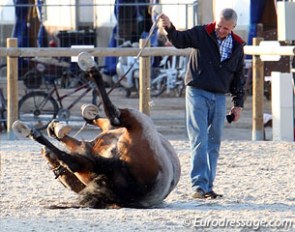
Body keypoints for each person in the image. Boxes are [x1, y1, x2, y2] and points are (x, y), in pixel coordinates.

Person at [159, 8, 246, 199]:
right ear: (216, 22)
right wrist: (169, 27)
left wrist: (238, 104)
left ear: (233, 27)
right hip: (197, 92)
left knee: (214, 141)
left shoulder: (237, 46)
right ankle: (199, 185)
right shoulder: (201, 33)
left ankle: (208, 186)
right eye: (219, 26)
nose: (221, 30)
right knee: (199, 138)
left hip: (219, 96)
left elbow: (239, 76)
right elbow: (180, 40)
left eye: (226, 28)